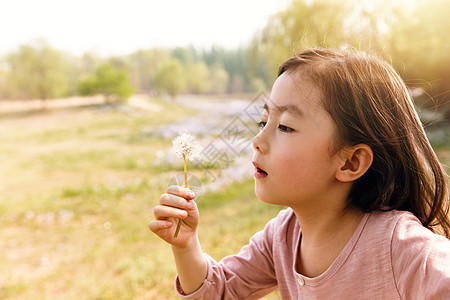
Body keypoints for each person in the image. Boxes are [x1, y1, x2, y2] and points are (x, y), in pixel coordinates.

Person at [149, 48, 450, 299]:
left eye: (285, 127)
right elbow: (221, 291)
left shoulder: (403, 248)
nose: (258, 141)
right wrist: (187, 245)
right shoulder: (282, 236)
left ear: (350, 163)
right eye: (263, 122)